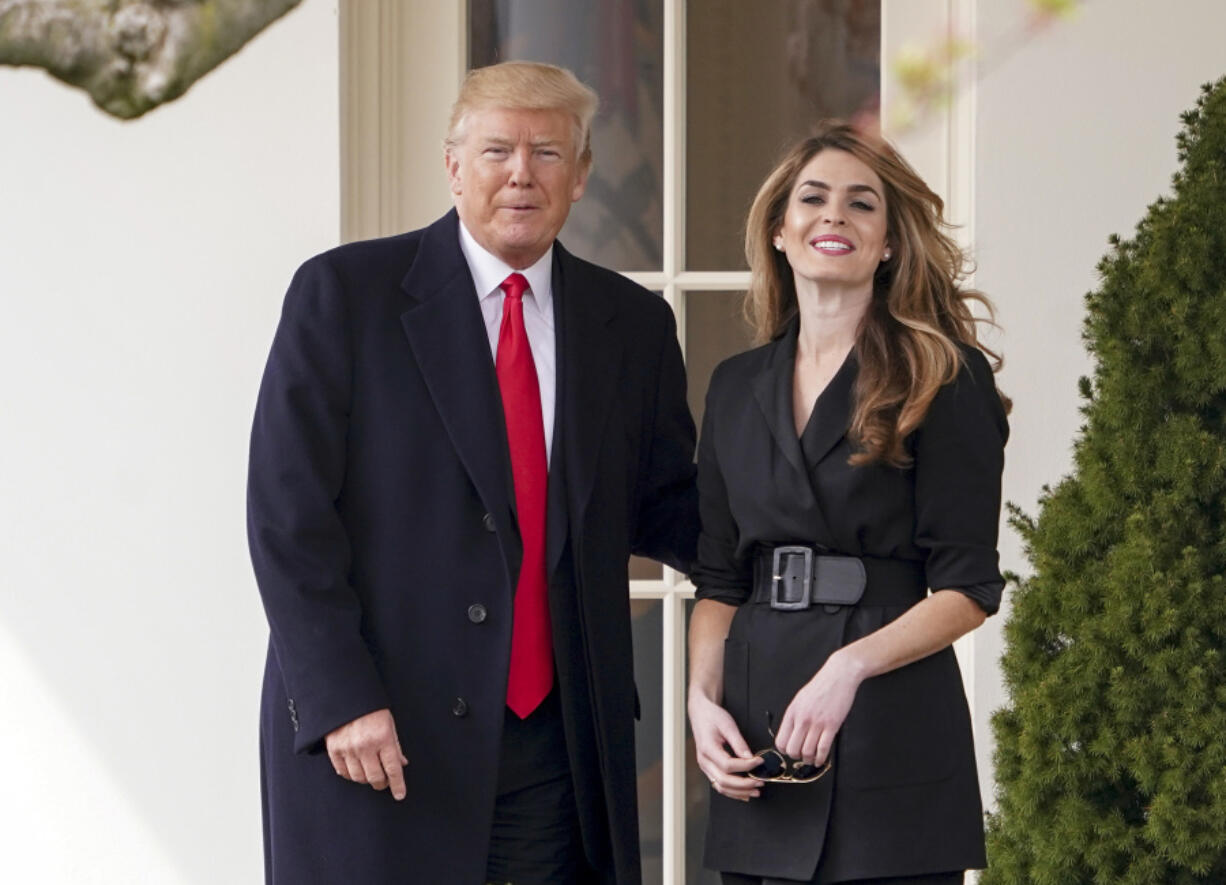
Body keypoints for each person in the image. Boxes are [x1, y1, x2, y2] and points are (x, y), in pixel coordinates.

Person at [248, 61, 698, 885]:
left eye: (548, 153)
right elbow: (288, 518)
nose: (522, 173)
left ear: (583, 173)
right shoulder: (346, 296)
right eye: (498, 151)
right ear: (454, 167)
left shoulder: (632, 326)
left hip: (557, 750)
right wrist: (340, 696)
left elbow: (675, 510)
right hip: (380, 738)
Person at [686, 121, 1010, 885]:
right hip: (761, 732)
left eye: (862, 204)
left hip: (886, 721)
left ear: (890, 243)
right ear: (779, 228)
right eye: (814, 198)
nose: (835, 216)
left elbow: (968, 589)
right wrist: (703, 704)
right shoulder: (735, 385)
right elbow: (719, 584)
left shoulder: (943, 374)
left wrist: (848, 669)